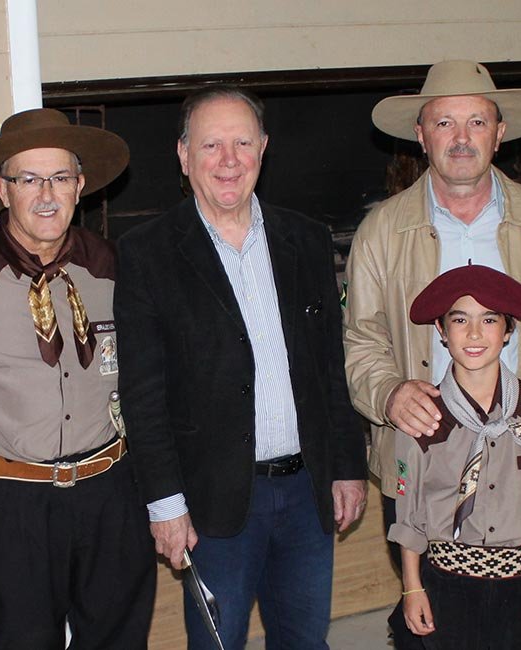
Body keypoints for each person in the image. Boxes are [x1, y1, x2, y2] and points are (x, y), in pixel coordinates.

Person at [114, 86, 369, 650]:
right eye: (211, 145)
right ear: (183, 156)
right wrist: (165, 504)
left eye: (242, 143)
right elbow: (143, 394)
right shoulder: (147, 253)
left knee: (305, 641)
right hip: (212, 504)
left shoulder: (305, 239)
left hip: (307, 493)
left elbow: (332, 364)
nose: (228, 160)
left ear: (264, 149)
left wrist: (348, 465)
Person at [344, 59, 521, 573]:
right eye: (444, 123)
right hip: (421, 452)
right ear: (421, 135)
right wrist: (389, 393)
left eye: (477, 122)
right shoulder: (380, 230)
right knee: (428, 608)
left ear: (500, 133)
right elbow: (361, 337)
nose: (461, 138)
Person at [0, 108, 155, 648]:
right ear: (1, 189)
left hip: (111, 493)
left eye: (60, 178)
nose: (46, 195)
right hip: (14, 503)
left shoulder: (113, 267)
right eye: (28, 179)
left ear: (80, 185)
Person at [388, 264, 521, 649]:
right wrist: (413, 589)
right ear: (442, 331)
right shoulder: (424, 417)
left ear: (508, 331)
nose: (474, 334)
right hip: (448, 583)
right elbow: (409, 516)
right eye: (460, 320)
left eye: (489, 320)